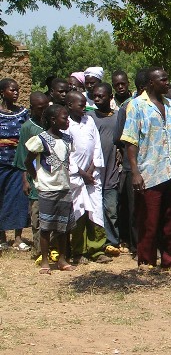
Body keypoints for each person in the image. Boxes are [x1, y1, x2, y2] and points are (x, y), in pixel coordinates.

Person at [121, 68, 171, 273]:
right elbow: (131, 141)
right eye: (163, 79)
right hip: (149, 170)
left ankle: (170, 259)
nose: (167, 83)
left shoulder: (169, 105)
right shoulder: (136, 105)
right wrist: (135, 172)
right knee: (148, 219)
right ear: (151, 83)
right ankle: (147, 260)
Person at [24, 104, 76, 274]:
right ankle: (45, 260)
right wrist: (36, 178)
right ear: (53, 120)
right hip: (47, 189)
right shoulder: (41, 140)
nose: (67, 121)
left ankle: (62, 259)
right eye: (64, 118)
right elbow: (28, 162)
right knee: (45, 227)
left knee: (63, 227)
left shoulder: (68, 140)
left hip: (64, 188)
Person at [65, 91, 110, 265]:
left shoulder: (89, 121)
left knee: (95, 211)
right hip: (75, 177)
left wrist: (91, 170)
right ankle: (78, 251)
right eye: (81, 105)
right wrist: (81, 173)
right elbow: (66, 152)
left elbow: (96, 146)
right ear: (70, 105)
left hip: (92, 176)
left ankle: (97, 249)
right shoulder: (66, 124)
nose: (84, 108)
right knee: (79, 212)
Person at [114, 69, 149, 254]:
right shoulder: (127, 107)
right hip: (132, 165)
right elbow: (119, 137)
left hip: (153, 165)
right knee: (135, 208)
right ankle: (137, 247)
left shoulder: (161, 105)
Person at [88, 83, 123, 256]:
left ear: (110, 97)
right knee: (92, 209)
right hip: (92, 172)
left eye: (101, 96)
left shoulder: (118, 117)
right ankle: (95, 242)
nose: (96, 99)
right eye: (94, 96)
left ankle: (112, 241)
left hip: (112, 170)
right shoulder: (88, 117)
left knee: (111, 208)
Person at [14, 92, 50, 257]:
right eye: (40, 109)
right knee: (37, 215)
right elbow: (22, 157)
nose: (43, 112)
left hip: (52, 178)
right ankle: (39, 250)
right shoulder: (27, 128)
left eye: (45, 108)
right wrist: (25, 181)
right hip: (35, 178)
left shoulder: (53, 124)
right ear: (32, 108)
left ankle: (53, 248)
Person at [0, 79, 29, 250]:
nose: (16, 93)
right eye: (12, 90)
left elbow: (26, 136)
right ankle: (2, 237)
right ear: (3, 92)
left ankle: (18, 238)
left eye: (17, 90)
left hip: (18, 163)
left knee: (19, 198)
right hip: (1, 163)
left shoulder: (23, 113)